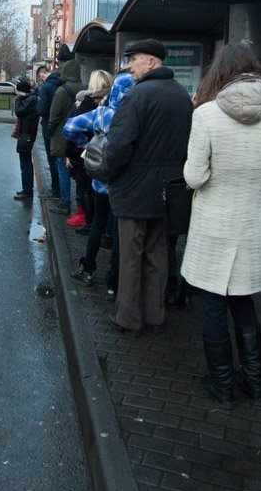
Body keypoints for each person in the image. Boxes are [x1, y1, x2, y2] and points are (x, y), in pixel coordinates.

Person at [182, 45, 261, 408]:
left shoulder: (206, 115)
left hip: (214, 225)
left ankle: (221, 383)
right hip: (255, 225)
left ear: (221, 73)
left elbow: (194, 176)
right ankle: (255, 381)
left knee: (213, 303)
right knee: (243, 302)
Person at [95, 39, 192, 334]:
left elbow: (119, 145)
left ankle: (128, 317)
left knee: (131, 256)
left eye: (134, 59)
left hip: (135, 192)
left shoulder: (138, 96)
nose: (130, 66)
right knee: (158, 256)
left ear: (151, 61)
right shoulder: (182, 96)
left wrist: (106, 174)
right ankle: (155, 314)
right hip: (168, 193)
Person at [65, 71, 136, 288]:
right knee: (117, 232)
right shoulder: (135, 117)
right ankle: (114, 282)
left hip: (101, 181)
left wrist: (85, 145)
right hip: (125, 183)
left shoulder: (102, 113)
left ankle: (87, 268)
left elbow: (69, 127)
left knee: (97, 223)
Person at [66, 70, 113, 230]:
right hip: (109, 154)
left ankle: (89, 222)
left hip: (88, 155)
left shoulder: (87, 104)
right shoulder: (113, 102)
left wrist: (83, 145)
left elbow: (71, 128)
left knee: (87, 188)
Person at [48, 58, 82, 214]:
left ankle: (65, 203)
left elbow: (53, 117)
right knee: (81, 174)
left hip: (63, 137)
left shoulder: (61, 91)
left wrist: (51, 132)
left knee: (63, 171)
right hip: (81, 138)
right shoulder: (85, 88)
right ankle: (82, 208)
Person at [36, 65, 63, 199]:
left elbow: (41, 110)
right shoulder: (62, 84)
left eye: (40, 77)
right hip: (62, 126)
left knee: (51, 158)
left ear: (42, 75)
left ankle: (55, 189)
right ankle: (62, 189)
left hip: (49, 126)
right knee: (61, 159)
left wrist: (38, 103)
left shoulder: (46, 87)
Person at [12, 79, 40, 201]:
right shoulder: (32, 99)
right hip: (27, 134)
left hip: (26, 135)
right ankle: (26, 190)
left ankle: (27, 191)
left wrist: (18, 98)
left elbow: (18, 112)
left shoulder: (29, 100)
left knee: (25, 164)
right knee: (26, 163)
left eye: (18, 91)